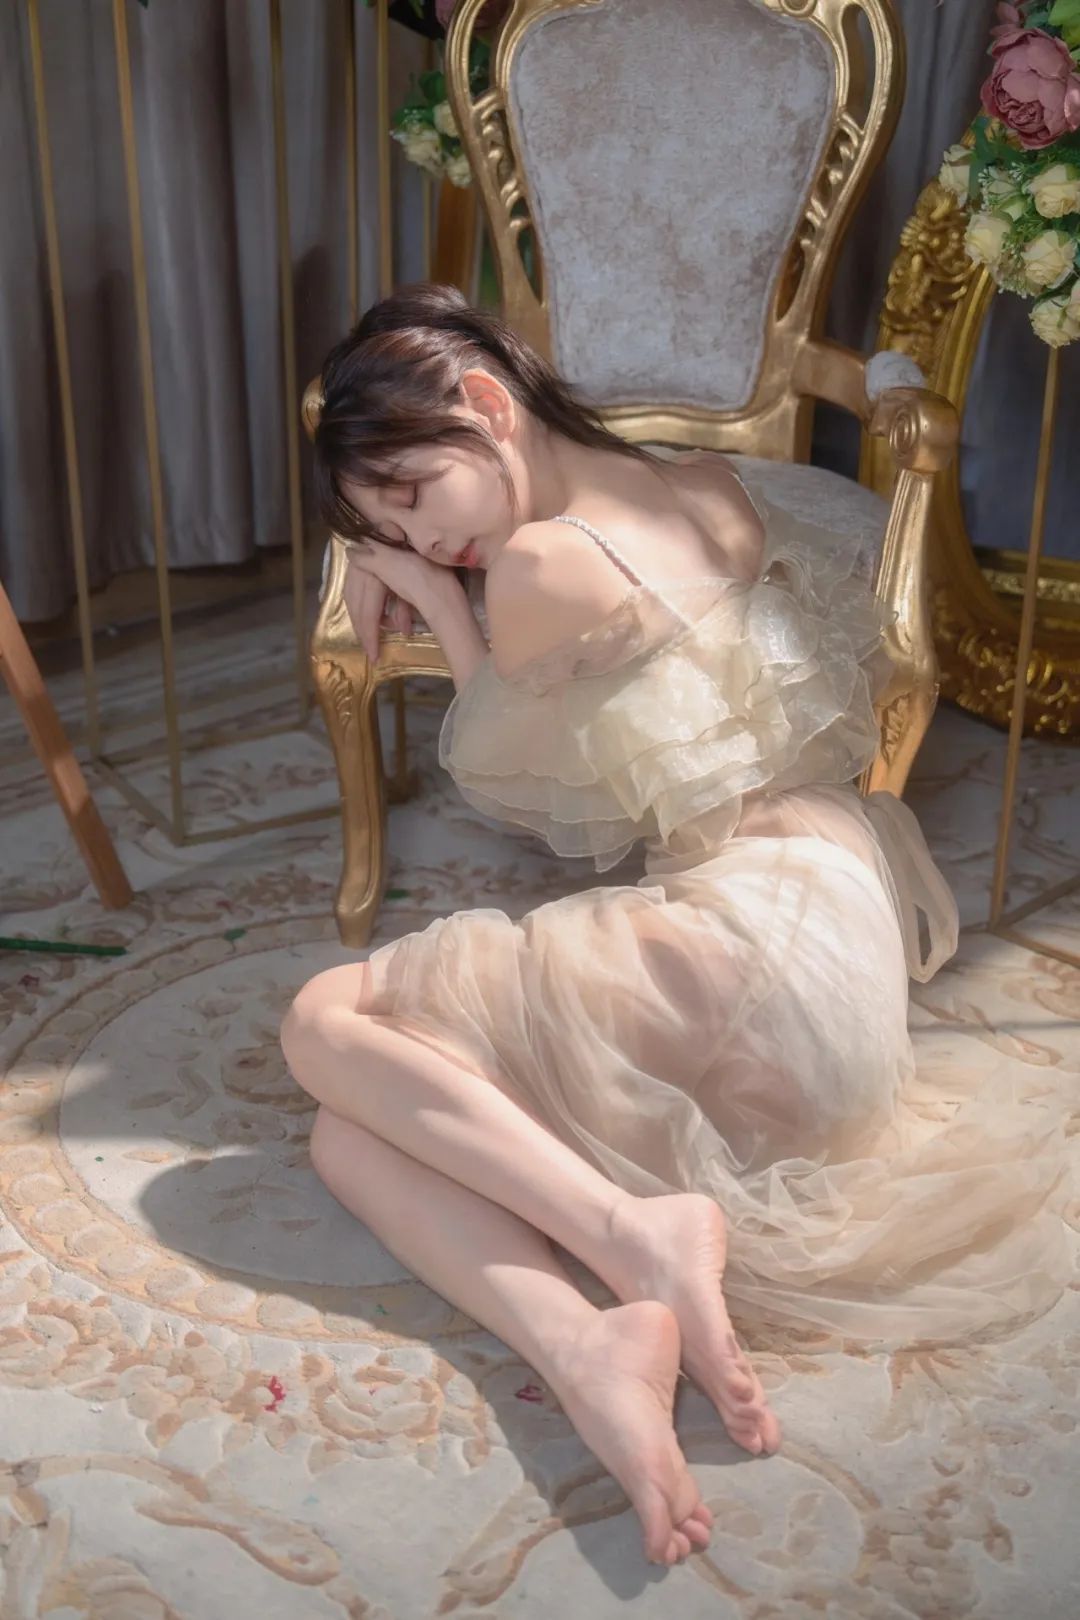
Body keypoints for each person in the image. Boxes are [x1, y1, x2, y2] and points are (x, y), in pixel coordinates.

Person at [280, 282, 1075, 1569]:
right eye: (393, 529)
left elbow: (506, 777)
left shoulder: (539, 565)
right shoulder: (705, 481)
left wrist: (433, 602)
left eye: (415, 498)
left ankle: (630, 1236)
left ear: (486, 405)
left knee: (324, 1024)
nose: (427, 539)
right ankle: (585, 1346)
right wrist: (429, 560)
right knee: (352, 1131)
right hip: (839, 946)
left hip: (746, 967)